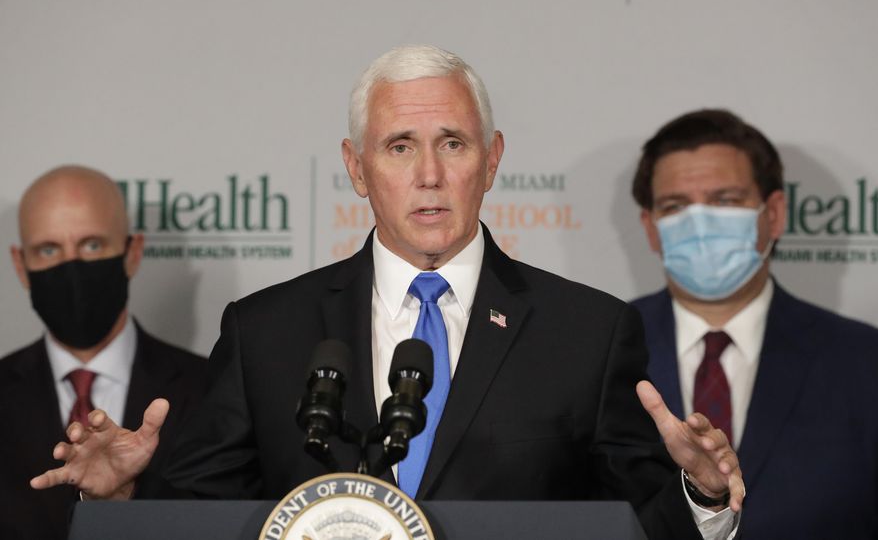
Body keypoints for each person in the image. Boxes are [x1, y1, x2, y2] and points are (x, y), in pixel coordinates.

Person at [31, 47, 743, 539]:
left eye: (454, 144)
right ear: (357, 168)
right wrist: (119, 499)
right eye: (399, 145)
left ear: (492, 160)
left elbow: (640, 527)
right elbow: (198, 519)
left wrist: (702, 496)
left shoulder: (587, 332)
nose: (429, 173)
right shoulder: (265, 331)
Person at [630, 108, 878, 539]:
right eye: (676, 206)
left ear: (775, 214)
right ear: (651, 228)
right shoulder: (597, 351)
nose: (701, 224)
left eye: (725, 200)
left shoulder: (865, 362)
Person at [0, 166, 208, 540]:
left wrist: (120, 500)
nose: (72, 266)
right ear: (21, 265)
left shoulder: (212, 390)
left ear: (133, 252)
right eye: (49, 249)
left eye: (92, 245)